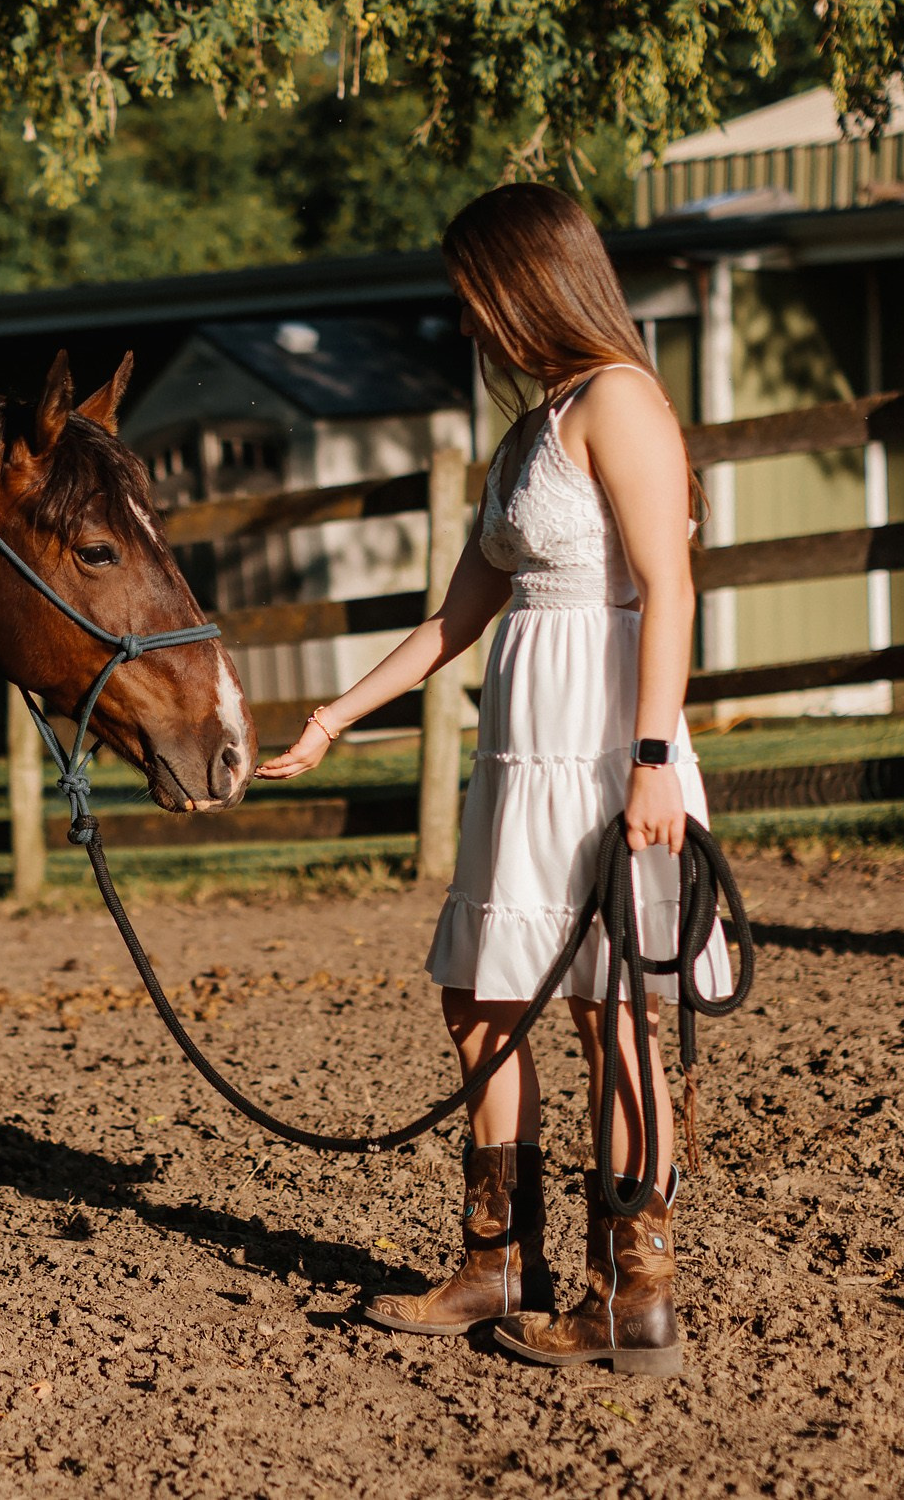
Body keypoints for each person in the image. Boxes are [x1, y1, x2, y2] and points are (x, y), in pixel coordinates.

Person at [254, 183, 730, 1377]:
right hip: (522, 749)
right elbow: (452, 618)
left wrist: (656, 759)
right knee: (481, 999)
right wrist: (331, 719)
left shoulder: (619, 401)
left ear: (530, 281)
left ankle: (634, 1293)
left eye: (476, 291)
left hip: (608, 738)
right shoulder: (533, 430)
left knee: (610, 1011)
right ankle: (497, 1262)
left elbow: (668, 591)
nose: (466, 316)